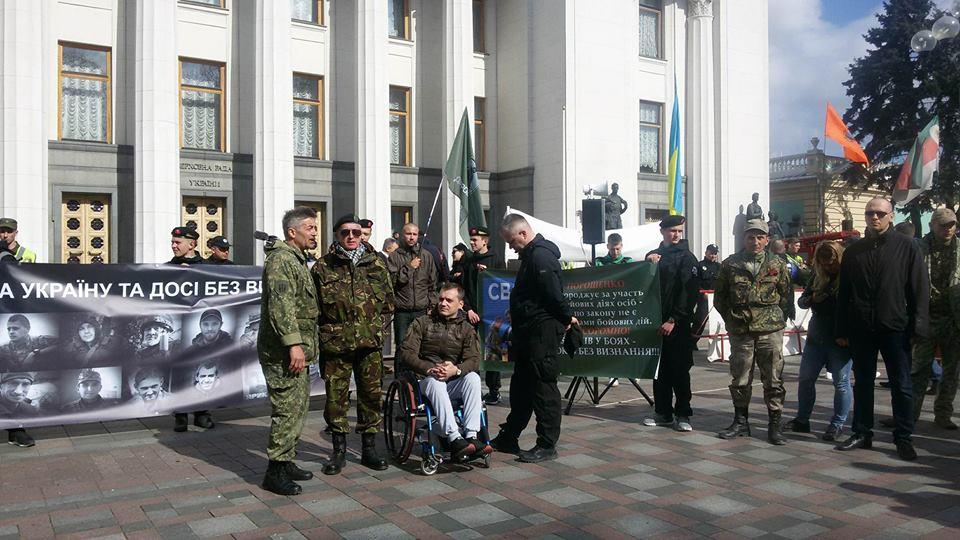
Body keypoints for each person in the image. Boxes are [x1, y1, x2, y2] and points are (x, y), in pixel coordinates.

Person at [834, 197, 928, 461]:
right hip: (862, 327)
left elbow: (919, 291)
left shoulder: (908, 247)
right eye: (869, 213)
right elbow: (844, 294)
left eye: (879, 213)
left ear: (891, 216)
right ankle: (862, 432)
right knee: (863, 382)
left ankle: (903, 437)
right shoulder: (854, 252)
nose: (874, 217)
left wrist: (919, 327)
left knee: (902, 384)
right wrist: (841, 330)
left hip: (896, 327)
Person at [491, 214, 577, 463]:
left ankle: (547, 444)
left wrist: (567, 317)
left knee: (543, 389)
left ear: (523, 234)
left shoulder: (541, 256)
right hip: (528, 334)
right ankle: (509, 436)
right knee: (521, 389)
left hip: (542, 333)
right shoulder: (531, 256)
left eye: (511, 241)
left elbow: (553, 294)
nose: (510, 247)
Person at [314, 214, 395, 475]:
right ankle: (338, 451)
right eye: (345, 232)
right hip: (336, 345)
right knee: (336, 398)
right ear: (336, 235)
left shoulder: (376, 264)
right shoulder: (322, 267)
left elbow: (389, 305)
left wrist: (376, 331)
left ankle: (369, 448)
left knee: (371, 396)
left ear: (363, 235)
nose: (351, 237)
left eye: (356, 233)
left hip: (369, 345)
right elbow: (313, 307)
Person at [257, 206, 320, 495]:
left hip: (299, 350)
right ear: (292, 232)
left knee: (299, 408)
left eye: (315, 227)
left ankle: (288, 459)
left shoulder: (297, 259)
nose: (314, 232)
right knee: (286, 409)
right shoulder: (282, 260)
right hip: (284, 352)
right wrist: (293, 344)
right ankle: (275, 470)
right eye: (309, 227)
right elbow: (280, 308)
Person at [715, 218, 795, 445]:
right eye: (751, 237)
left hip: (770, 330)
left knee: (773, 379)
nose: (756, 241)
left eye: (760, 237)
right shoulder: (731, 264)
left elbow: (786, 295)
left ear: (767, 239)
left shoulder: (778, 264)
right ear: (744, 239)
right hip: (741, 329)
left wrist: (776, 318)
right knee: (740, 378)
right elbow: (720, 298)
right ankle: (741, 422)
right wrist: (732, 321)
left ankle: (775, 426)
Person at [401, 283, 490, 460]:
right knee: (436, 381)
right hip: (426, 381)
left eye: (449, 300)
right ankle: (454, 437)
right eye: (441, 299)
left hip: (452, 380)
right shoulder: (422, 323)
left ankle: (472, 436)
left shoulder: (466, 328)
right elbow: (406, 353)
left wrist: (456, 370)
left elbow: (474, 359)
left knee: (472, 378)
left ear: (461, 304)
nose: (443, 303)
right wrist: (429, 368)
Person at [784, 241, 852, 441]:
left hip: (840, 335)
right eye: (824, 264)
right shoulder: (817, 275)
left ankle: (837, 423)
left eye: (831, 263)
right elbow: (802, 301)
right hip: (817, 333)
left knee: (841, 381)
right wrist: (814, 297)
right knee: (806, 379)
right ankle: (802, 419)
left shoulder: (849, 275)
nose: (828, 267)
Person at [641, 216, 700, 431]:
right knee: (661, 371)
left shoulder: (687, 258)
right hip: (657, 323)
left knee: (680, 370)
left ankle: (683, 413)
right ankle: (663, 412)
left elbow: (689, 293)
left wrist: (674, 319)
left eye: (679, 231)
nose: (676, 235)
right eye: (672, 231)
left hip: (678, 326)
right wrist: (648, 262)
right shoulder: (655, 255)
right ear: (662, 232)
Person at [906, 207, 959, 431]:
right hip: (925, 318)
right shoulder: (918, 248)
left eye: (951, 225)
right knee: (919, 370)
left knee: (951, 370)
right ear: (932, 225)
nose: (948, 229)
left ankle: (943, 414)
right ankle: (910, 414)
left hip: (953, 319)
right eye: (943, 224)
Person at [165, 227, 214, 431]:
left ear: (192, 244)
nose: (174, 246)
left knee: (203, 369)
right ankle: (181, 415)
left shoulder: (207, 268)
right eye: (173, 242)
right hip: (178, 331)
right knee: (180, 372)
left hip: (200, 331)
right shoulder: (167, 268)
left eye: (178, 242)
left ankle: (202, 413)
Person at [458, 227, 505, 405]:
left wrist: (488, 274)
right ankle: (473, 389)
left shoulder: (495, 259)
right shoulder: (468, 260)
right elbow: (465, 288)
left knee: (493, 353)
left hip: (493, 315)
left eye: (475, 240)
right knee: (471, 352)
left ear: (485, 241)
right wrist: (468, 309)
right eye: (471, 239)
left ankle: (494, 391)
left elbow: (502, 285)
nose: (472, 242)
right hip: (473, 314)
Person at [387, 223, 438, 367]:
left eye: (415, 234)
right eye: (408, 234)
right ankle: (400, 381)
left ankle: (418, 381)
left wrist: (432, 306)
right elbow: (392, 282)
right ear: (402, 235)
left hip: (421, 310)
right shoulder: (394, 257)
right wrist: (409, 267)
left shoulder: (426, 256)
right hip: (402, 310)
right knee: (402, 347)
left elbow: (432, 284)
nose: (412, 237)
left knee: (422, 347)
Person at [693, 244, 721, 342]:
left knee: (718, 321)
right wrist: (702, 293)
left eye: (714, 253)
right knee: (701, 320)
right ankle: (692, 341)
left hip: (716, 298)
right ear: (706, 253)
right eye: (711, 253)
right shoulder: (699, 266)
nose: (712, 255)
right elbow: (695, 282)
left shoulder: (719, 267)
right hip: (704, 298)